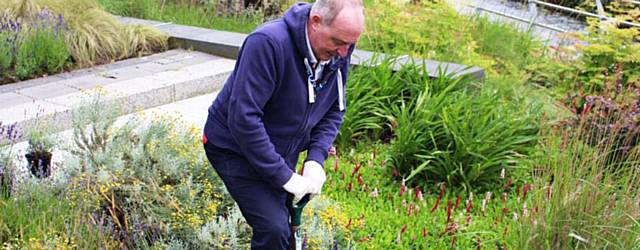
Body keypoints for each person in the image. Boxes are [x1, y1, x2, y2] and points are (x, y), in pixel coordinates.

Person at [202, 0, 364, 248]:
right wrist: (283, 175)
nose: (343, 53)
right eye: (339, 42)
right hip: (232, 147)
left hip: (280, 146)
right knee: (274, 229)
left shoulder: (338, 50)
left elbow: (334, 108)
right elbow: (244, 119)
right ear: (316, 22)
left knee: (286, 229)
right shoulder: (267, 43)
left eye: (350, 45)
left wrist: (315, 159)